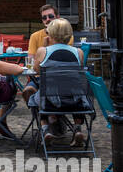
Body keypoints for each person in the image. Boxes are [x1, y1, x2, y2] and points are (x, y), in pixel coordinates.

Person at [29, 17, 88, 147]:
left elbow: (36, 70)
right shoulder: (79, 52)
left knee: (34, 99)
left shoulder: (43, 51)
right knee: (78, 94)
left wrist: (44, 46)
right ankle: (77, 129)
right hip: (74, 101)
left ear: (50, 33)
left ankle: (45, 131)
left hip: (50, 101)